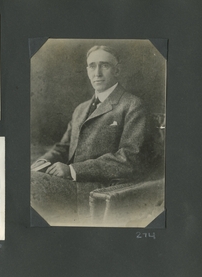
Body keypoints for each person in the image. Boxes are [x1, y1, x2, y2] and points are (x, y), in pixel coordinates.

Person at [31, 45, 151, 226]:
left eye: (105, 66)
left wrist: (73, 170)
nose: (97, 73)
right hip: (70, 183)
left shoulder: (132, 105)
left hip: (99, 189)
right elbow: (63, 148)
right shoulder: (81, 108)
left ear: (117, 70)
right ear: (87, 70)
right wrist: (40, 164)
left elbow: (129, 158)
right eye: (92, 66)